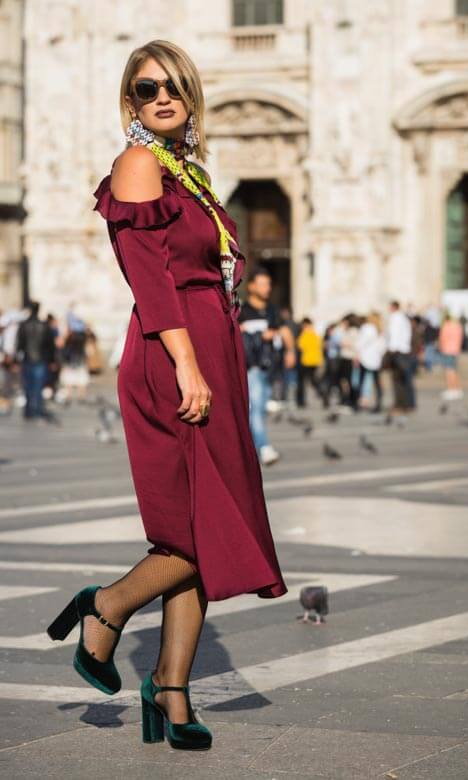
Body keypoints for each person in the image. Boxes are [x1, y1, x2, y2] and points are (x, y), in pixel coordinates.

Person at [46, 40, 287, 753]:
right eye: (146, 88)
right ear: (129, 101)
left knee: (200, 521)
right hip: (168, 351)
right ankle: (109, 606)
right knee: (206, 525)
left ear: (191, 95)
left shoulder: (192, 173)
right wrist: (187, 365)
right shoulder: (139, 164)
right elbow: (150, 280)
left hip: (210, 348)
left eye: (174, 86)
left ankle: (171, 688)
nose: (161, 97)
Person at [238, 267, 295, 464]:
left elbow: (284, 330)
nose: (266, 288)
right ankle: (263, 447)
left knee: (260, 409)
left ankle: (251, 450)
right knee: (256, 409)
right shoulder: (242, 310)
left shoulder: (272, 310)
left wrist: (290, 351)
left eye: (268, 284)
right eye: (262, 284)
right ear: (251, 286)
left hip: (270, 366)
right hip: (251, 366)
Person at [15, 300, 57, 420]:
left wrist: (17, 360)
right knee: (38, 386)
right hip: (40, 359)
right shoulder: (44, 325)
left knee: (27, 386)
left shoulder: (23, 325)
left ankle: (29, 411)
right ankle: (37, 410)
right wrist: (52, 360)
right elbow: (51, 345)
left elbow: (19, 344)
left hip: (28, 359)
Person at [386, 300, 415, 414]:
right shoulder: (403, 318)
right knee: (406, 380)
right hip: (405, 351)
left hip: (398, 352)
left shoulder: (395, 318)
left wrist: (391, 352)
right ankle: (409, 404)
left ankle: (400, 405)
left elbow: (394, 336)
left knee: (398, 380)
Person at [356, 312, 386, 413]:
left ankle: (359, 403)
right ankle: (378, 403)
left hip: (365, 358)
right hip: (376, 359)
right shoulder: (380, 329)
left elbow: (360, 343)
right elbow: (383, 346)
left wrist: (357, 353)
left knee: (361, 381)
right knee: (377, 383)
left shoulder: (366, 328)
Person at [296, 317, 324, 407]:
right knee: (314, 380)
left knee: (302, 382)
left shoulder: (305, 334)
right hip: (315, 361)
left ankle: (300, 401)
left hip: (306, 361)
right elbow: (320, 347)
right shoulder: (316, 335)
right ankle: (323, 394)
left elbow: (300, 345)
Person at [438, 312, 464, 401]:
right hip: (455, 349)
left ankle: (451, 389)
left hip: (447, 349)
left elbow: (442, 338)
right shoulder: (458, 326)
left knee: (449, 370)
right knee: (454, 370)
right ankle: (457, 388)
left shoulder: (446, 326)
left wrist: (440, 348)